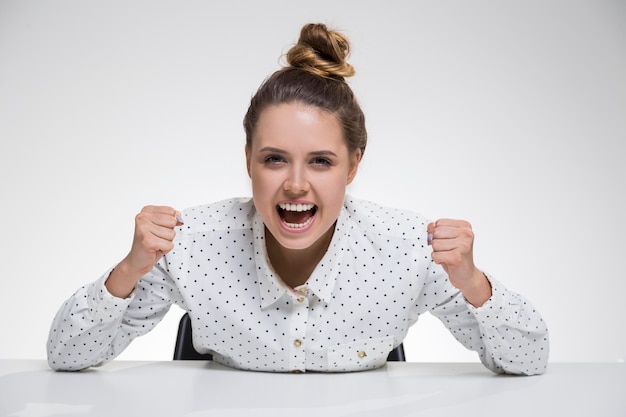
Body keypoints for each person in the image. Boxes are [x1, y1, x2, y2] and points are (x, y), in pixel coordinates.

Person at [47, 23, 549, 375]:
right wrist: (130, 269)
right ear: (248, 160)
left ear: (353, 165)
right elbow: (67, 355)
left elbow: (530, 359)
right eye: (274, 159)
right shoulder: (191, 243)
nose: (295, 185)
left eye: (321, 162)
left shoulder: (407, 249)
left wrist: (472, 282)